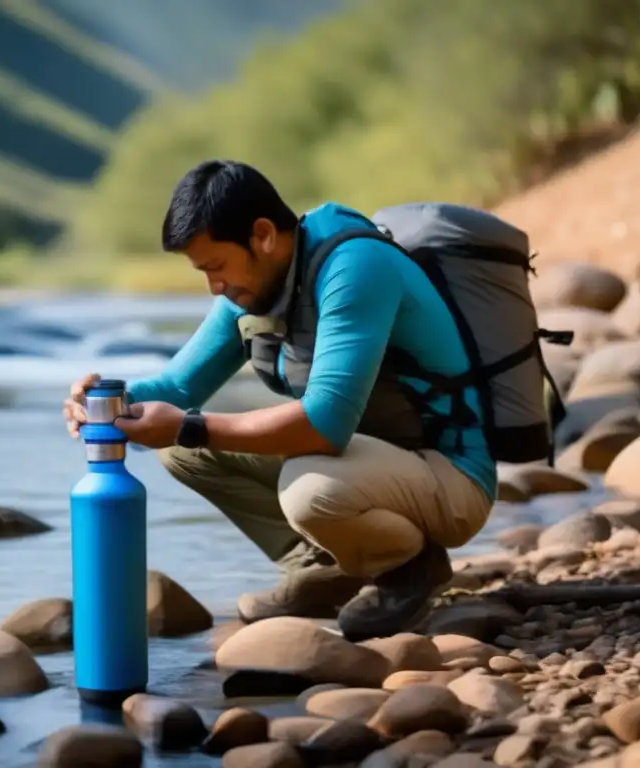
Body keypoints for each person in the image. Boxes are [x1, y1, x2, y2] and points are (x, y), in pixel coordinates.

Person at [62, 159, 497, 641]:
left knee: (306, 492)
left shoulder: (354, 268)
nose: (214, 286)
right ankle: (325, 569)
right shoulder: (255, 285)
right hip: (373, 463)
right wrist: (110, 400)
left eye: (216, 266)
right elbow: (180, 388)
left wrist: (188, 424)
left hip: (449, 476)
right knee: (181, 450)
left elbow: (325, 426)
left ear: (263, 235)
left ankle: (411, 568)